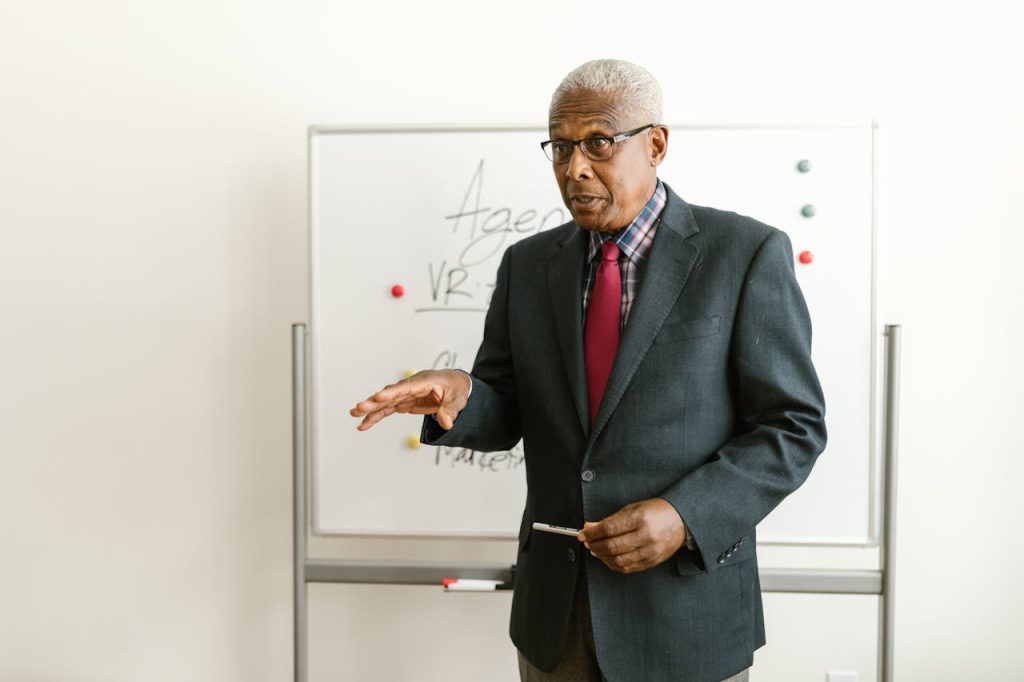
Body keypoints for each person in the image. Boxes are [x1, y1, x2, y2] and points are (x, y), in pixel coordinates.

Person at [350, 59, 826, 682]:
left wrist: (686, 517)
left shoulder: (744, 254)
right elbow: (509, 408)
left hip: (687, 616)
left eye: (598, 143)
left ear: (655, 145)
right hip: (556, 621)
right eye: (561, 147)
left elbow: (792, 428)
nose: (574, 167)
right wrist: (462, 397)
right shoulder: (528, 266)